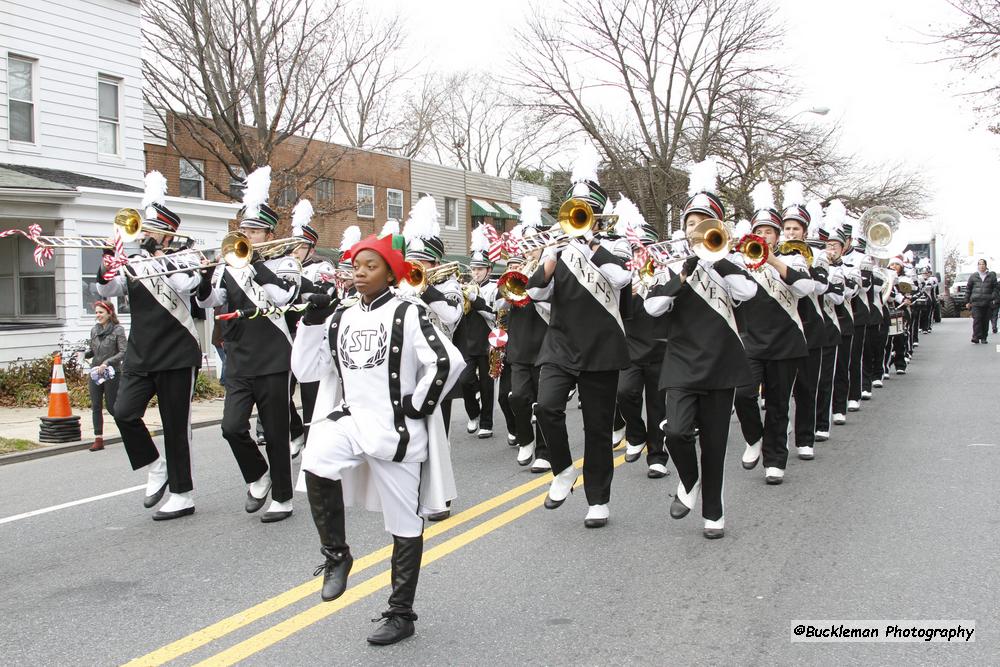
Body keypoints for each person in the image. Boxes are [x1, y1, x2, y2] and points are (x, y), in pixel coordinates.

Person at [291, 231, 465, 646]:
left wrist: (419, 405)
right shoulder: (341, 315)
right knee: (315, 462)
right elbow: (306, 371)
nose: (361, 273)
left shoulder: (409, 311)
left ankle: (401, 614)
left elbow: (448, 361)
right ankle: (337, 555)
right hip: (351, 420)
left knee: (405, 526)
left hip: (397, 432)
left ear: (391, 272)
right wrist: (312, 322)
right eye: (357, 266)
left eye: (372, 267)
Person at [645, 156, 757, 539]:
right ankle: (688, 480)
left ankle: (714, 512)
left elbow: (749, 292)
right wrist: (680, 276)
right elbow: (652, 307)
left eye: (704, 224)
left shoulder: (730, 263)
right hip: (680, 360)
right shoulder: (672, 264)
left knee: (714, 442)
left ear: (717, 228)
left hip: (721, 362)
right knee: (676, 432)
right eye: (691, 223)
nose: (696, 230)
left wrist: (719, 259)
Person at [526, 143, 631, 528]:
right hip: (560, 343)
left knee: (598, 428)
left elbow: (623, 277)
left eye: (585, 211)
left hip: (601, 347)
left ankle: (598, 499)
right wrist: (550, 258)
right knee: (546, 407)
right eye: (574, 210)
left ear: (599, 215)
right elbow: (534, 293)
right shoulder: (559, 248)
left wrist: (591, 245)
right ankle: (564, 470)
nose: (579, 217)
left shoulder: (615, 246)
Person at [197, 166, 300, 523]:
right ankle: (258, 475)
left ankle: (283, 498)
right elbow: (212, 301)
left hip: (273, 355)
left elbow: (284, 297)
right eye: (246, 230)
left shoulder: (285, 262)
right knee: (231, 427)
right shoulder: (228, 265)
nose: (249, 236)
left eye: (255, 230)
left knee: (274, 432)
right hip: (240, 356)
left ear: (270, 232)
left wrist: (257, 265)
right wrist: (202, 281)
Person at [97, 171, 202, 520]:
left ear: (169, 233)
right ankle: (155, 466)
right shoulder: (133, 263)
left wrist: (157, 257)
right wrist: (109, 259)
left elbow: (187, 285)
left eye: (152, 229)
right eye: (144, 228)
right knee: (123, 410)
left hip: (177, 353)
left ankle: (182, 493)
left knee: (175, 426)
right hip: (141, 353)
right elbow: (105, 291)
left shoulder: (187, 257)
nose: (144, 234)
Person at [733, 181, 814, 486]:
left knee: (779, 404)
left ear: (778, 236)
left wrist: (772, 260)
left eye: (769, 231)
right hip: (752, 340)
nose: (763, 236)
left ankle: (775, 459)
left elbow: (805, 288)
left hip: (786, 342)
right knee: (742, 394)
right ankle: (754, 437)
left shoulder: (793, 259)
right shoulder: (741, 261)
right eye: (760, 231)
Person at [612, 196, 670, 478]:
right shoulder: (624, 276)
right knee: (624, 393)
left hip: (661, 348)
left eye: (645, 247)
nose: (641, 252)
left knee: (658, 407)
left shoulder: (665, 272)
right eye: (636, 247)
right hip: (632, 347)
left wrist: (654, 286)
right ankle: (635, 434)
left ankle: (658, 456)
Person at [500, 201, 552, 472]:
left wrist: (535, 289)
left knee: (544, 403)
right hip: (520, 344)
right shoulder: (516, 270)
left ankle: (544, 451)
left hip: (545, 343)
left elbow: (556, 306)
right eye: (527, 243)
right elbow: (501, 302)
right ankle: (526, 439)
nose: (531, 248)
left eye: (535, 243)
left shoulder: (551, 269)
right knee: (517, 397)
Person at [779, 186, 827, 460]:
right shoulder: (775, 253)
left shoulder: (817, 256)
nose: (791, 233)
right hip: (785, 330)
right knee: (782, 391)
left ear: (805, 232)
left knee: (807, 387)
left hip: (810, 327)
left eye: (796, 229)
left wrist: (803, 266)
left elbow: (818, 288)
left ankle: (805, 439)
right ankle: (780, 437)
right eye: (787, 229)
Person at [454, 224, 498, 438]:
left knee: (487, 385)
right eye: (473, 269)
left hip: (487, 341)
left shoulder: (495, 288)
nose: (475, 273)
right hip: (467, 342)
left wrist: (476, 300)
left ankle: (487, 423)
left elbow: (494, 315)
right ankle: (473, 414)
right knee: (464, 380)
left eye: (479, 269)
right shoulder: (465, 286)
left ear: (488, 270)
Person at [84, 300, 126, 452]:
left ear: (110, 313)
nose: (98, 315)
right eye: (96, 312)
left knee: (111, 406)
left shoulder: (118, 330)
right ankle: (98, 439)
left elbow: (123, 351)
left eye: (101, 312)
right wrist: (84, 354)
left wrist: (107, 362)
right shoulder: (94, 330)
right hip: (96, 372)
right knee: (96, 405)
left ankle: (129, 430)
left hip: (112, 372)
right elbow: (93, 350)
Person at [966, 259, 997, 344]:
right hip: (976, 302)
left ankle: (984, 337)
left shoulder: (991, 276)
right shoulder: (973, 276)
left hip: (987, 302)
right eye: (979, 264)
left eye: (983, 264)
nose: (981, 266)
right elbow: (968, 289)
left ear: (986, 265)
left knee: (985, 320)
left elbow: (995, 288)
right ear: (978, 266)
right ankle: (975, 337)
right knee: (977, 319)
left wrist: (992, 297)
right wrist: (967, 301)